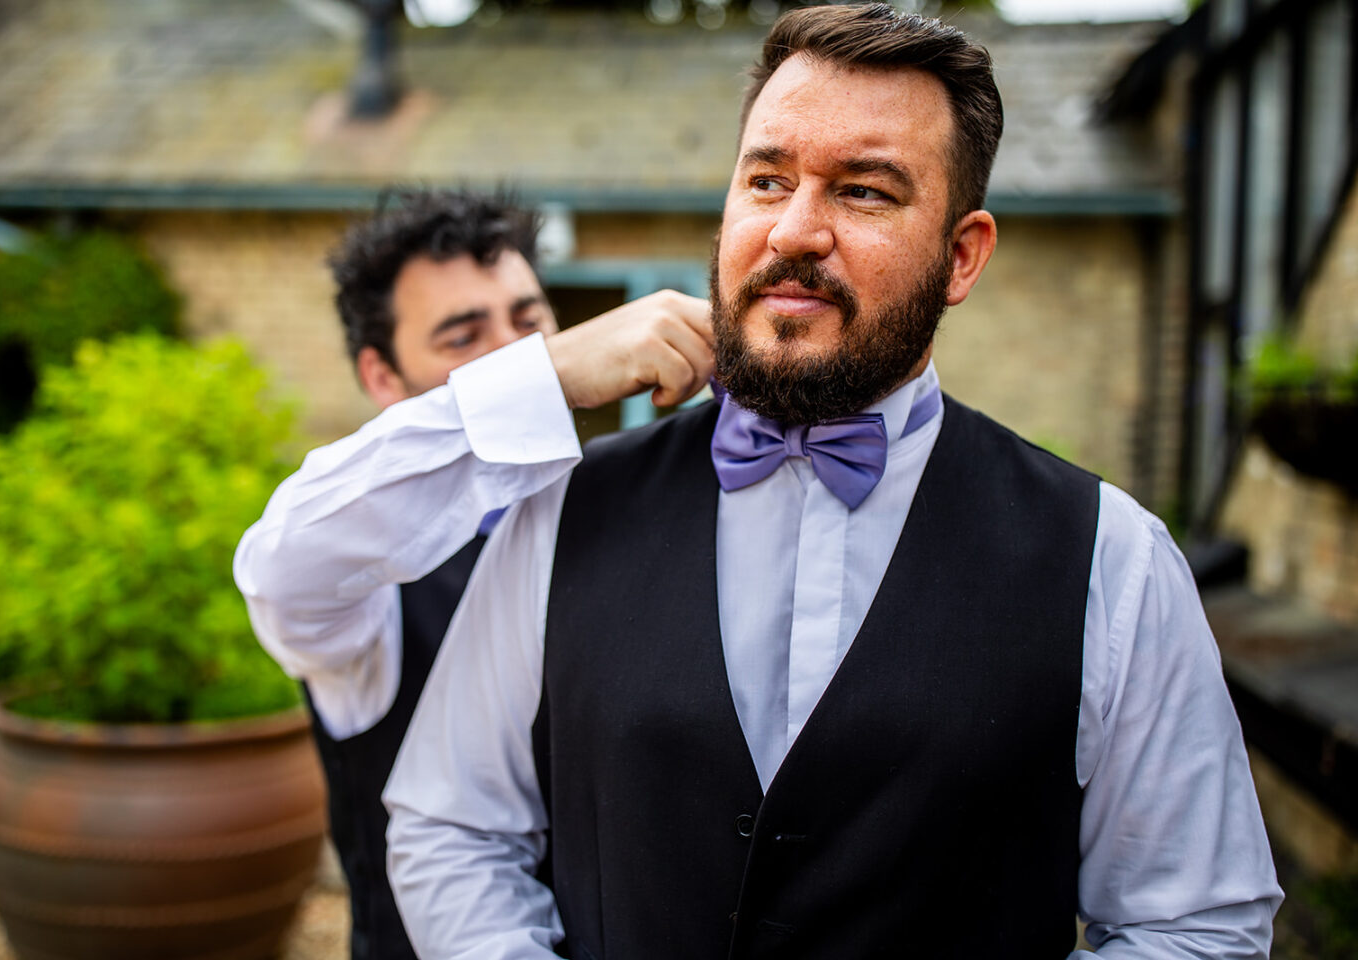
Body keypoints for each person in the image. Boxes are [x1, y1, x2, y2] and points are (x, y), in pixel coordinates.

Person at [384, 6, 1284, 959]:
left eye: (863, 192)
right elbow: (451, 828)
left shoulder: (1113, 560)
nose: (795, 231)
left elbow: (1196, 924)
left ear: (962, 255)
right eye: (767, 180)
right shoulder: (562, 511)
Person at [233, 189, 712, 960]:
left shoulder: (633, 514)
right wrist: (541, 375)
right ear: (382, 377)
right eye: (464, 335)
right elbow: (278, 569)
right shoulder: (367, 589)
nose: (516, 350)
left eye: (530, 322)